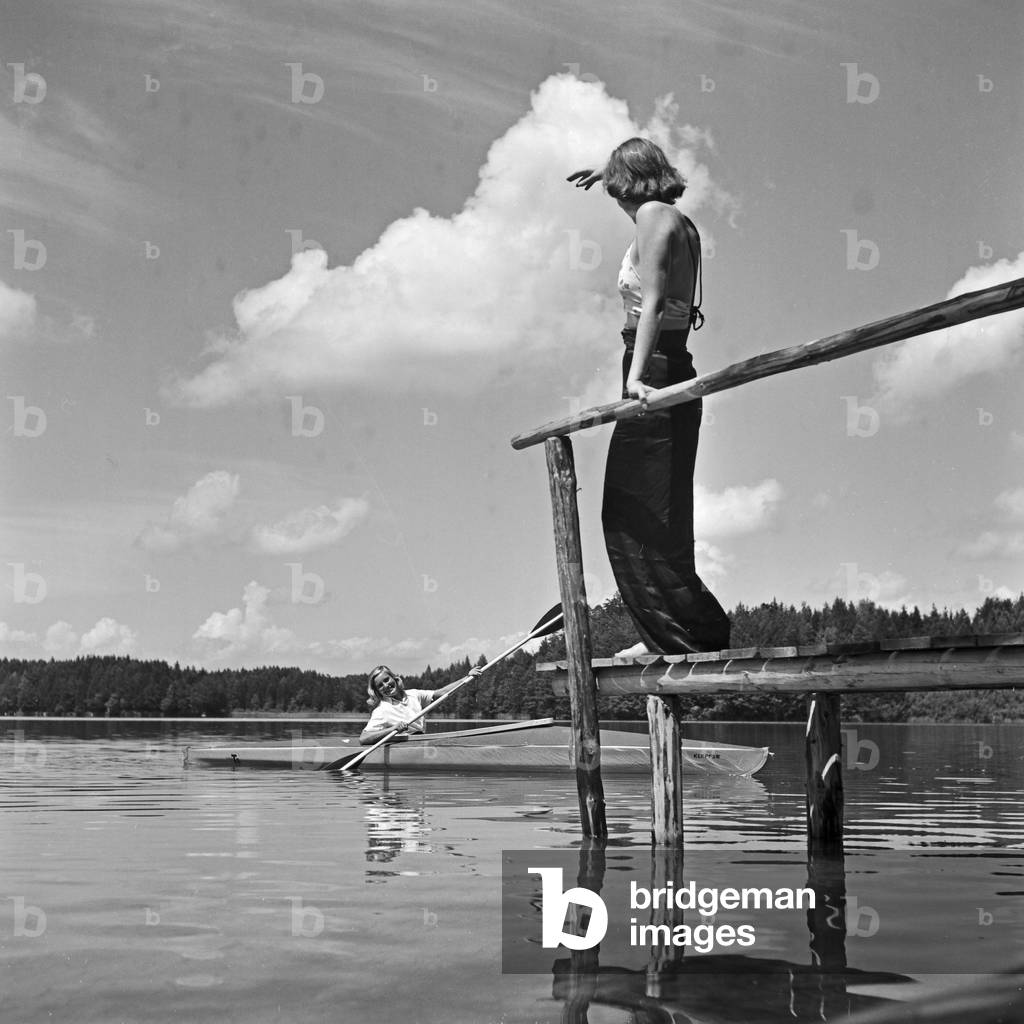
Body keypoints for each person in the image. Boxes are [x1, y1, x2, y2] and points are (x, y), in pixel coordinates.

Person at [567, 137, 730, 656]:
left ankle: (679, 635)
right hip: (667, 362)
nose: (612, 196)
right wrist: (609, 169)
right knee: (658, 510)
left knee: (628, 510)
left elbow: (655, 302)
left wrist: (636, 379)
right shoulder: (672, 218)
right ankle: (673, 633)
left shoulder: (655, 218)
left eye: (615, 186)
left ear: (628, 184)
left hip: (654, 366)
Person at [359, 664, 481, 745]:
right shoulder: (382, 710)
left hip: (421, 740)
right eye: (380, 685)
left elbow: (440, 693)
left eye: (386, 680)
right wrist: (393, 728)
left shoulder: (414, 694)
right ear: (377, 691)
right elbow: (363, 738)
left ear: (394, 678)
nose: (385, 685)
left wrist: (467, 677)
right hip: (403, 745)